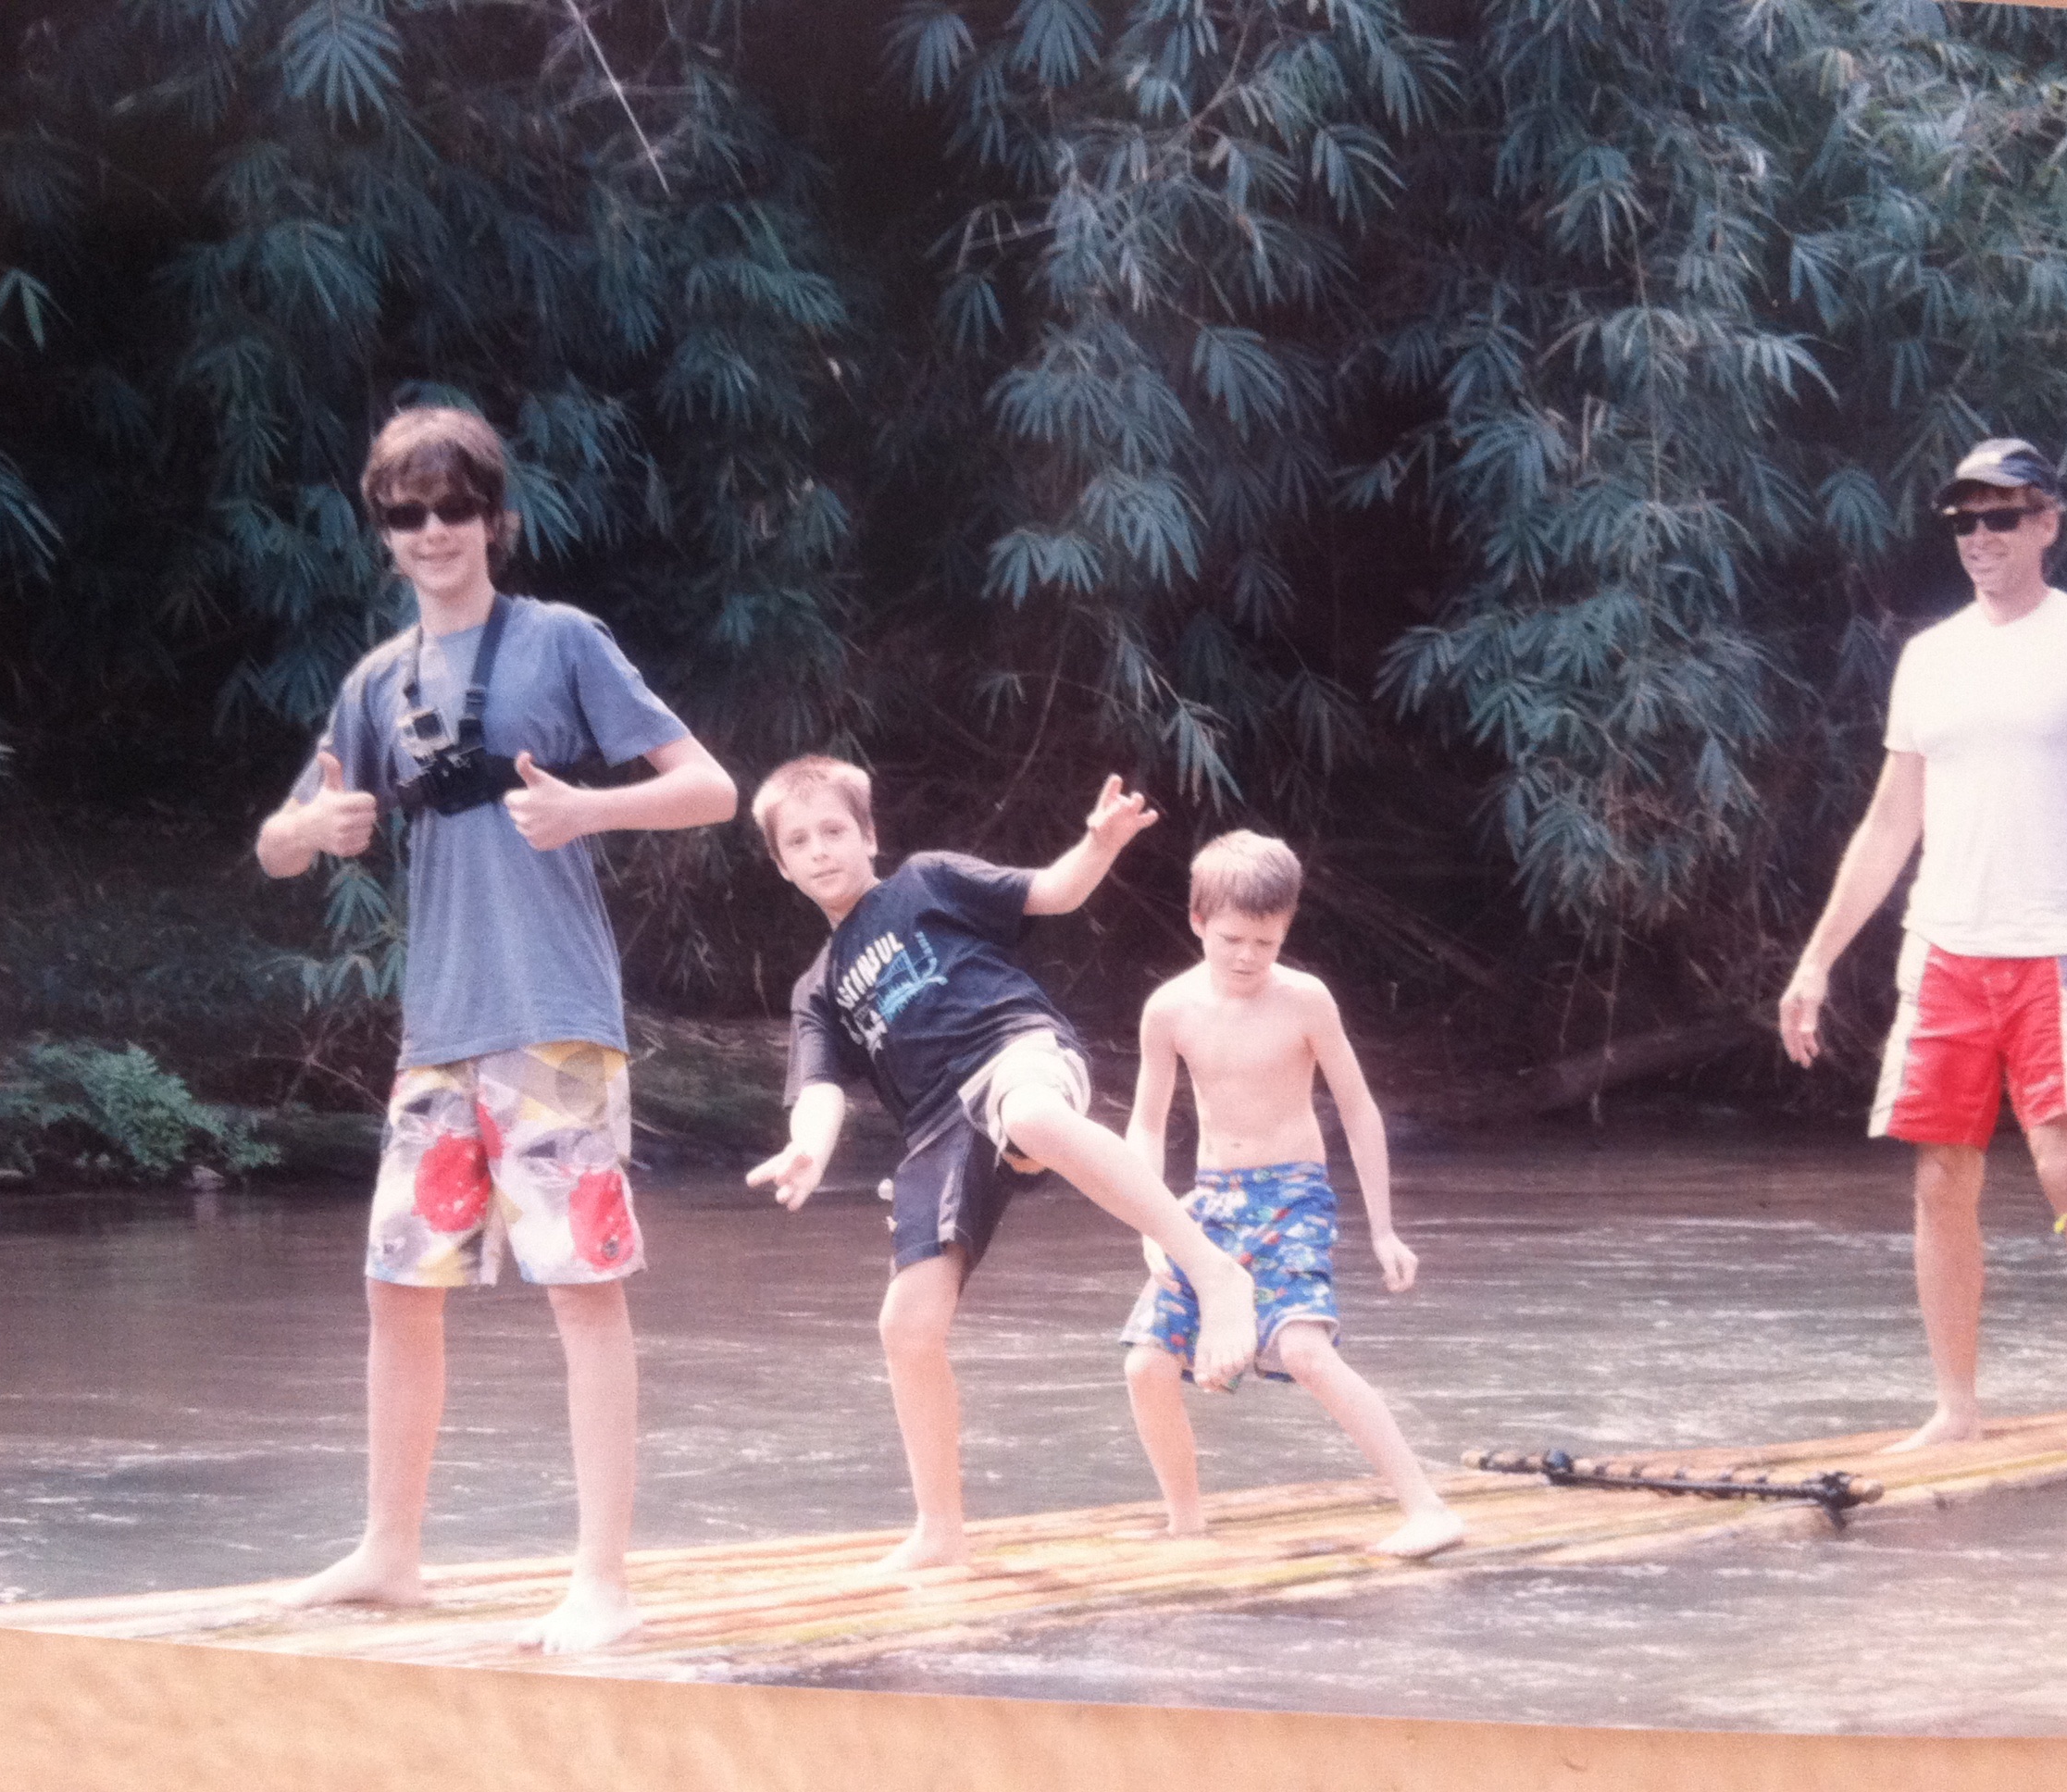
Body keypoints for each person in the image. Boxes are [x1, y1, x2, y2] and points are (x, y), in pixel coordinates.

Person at [255, 405, 739, 1651]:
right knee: (396, 1288)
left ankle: (603, 1581)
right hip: (439, 1034)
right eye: (406, 514)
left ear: (494, 520)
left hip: (555, 1021)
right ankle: (390, 1552)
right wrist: (316, 827)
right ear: (384, 532)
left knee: (584, 1291)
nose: (432, 532)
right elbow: (275, 844)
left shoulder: (562, 641)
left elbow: (711, 787)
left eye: (453, 508)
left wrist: (589, 810)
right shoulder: (376, 683)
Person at [1777, 437, 2067, 1452]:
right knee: (1940, 1177)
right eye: (1964, 520)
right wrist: (1816, 961)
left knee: (2063, 1166)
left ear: (2047, 523)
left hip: (2055, 946)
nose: (1981, 536)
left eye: (2002, 517)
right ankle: (1957, 1409)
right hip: (1944, 948)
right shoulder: (1931, 656)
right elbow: (1891, 820)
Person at [743, 756, 1260, 1572]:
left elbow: (1052, 892)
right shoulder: (819, 988)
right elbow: (819, 1086)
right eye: (798, 841)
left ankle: (1213, 1271)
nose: (819, 850)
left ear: (869, 835)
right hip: (935, 1130)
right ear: (781, 865)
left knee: (1029, 1115)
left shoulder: (926, 881)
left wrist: (1100, 844)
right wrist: (809, 1146)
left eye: (834, 830)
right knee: (906, 1327)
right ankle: (940, 1530)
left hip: (1016, 1049)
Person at [1117, 831, 1464, 1558]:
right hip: (1208, 1200)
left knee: (1304, 1350)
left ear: (1287, 931)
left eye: (1266, 943)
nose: (1248, 957)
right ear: (1197, 921)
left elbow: (1359, 1110)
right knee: (1146, 1363)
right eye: (1232, 940)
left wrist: (1383, 1230)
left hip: (1292, 1195)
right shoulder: (1169, 1008)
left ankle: (1427, 1507)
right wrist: (1150, 1221)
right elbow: (1145, 1125)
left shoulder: (1305, 1000)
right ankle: (1186, 1523)